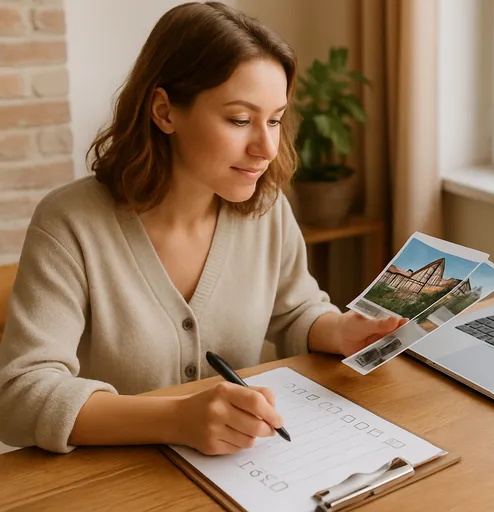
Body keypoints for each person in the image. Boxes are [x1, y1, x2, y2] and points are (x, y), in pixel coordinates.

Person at [0, 1, 404, 455]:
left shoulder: (266, 208)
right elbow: (20, 395)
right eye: (239, 120)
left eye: (274, 119)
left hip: (244, 477)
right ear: (165, 111)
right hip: (114, 482)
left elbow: (294, 311)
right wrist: (177, 418)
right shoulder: (69, 224)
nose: (266, 147)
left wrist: (337, 330)